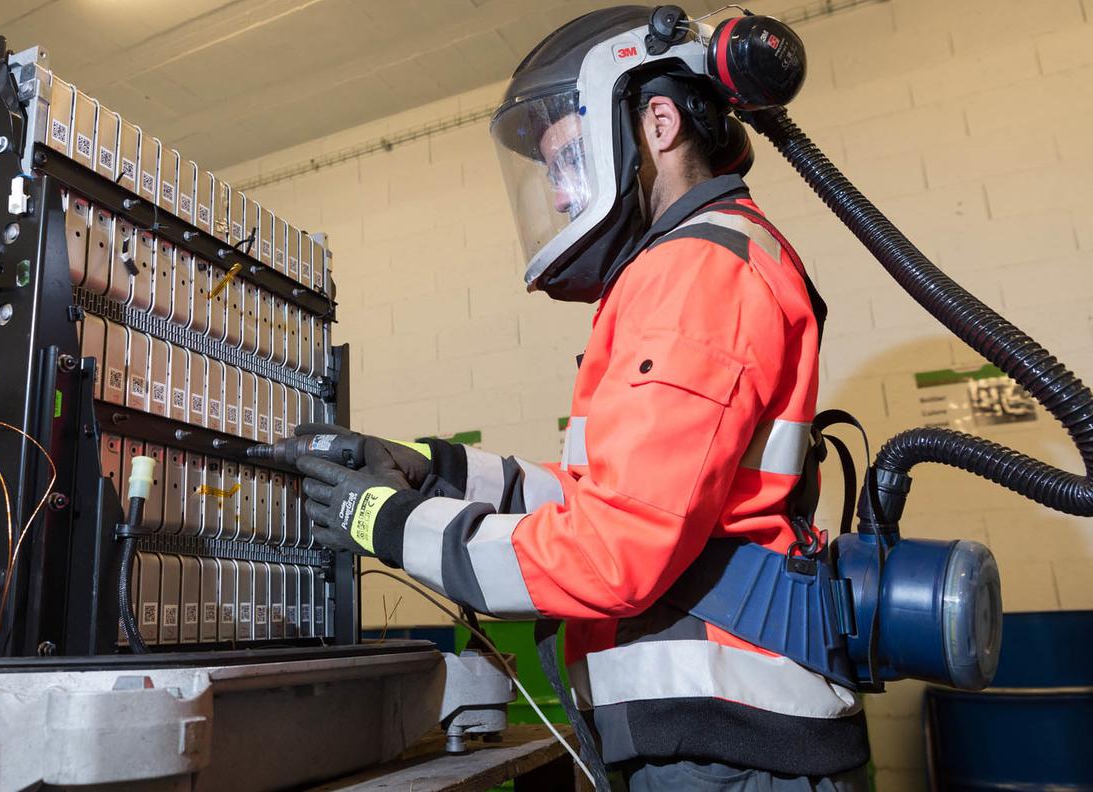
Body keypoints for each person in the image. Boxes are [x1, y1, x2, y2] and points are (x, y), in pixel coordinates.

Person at [296, 6, 870, 790]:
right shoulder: (687, 265)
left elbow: (612, 551)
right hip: (711, 742)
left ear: (659, 123)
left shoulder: (697, 271)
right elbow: (601, 495)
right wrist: (433, 471)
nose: (562, 196)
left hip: (727, 752)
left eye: (569, 160)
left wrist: (387, 520)